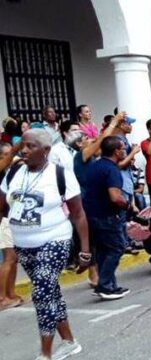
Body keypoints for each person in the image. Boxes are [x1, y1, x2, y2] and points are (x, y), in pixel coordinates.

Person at [0, 129, 90, 360]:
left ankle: (46, 353)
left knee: (41, 293)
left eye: (30, 147)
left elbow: (78, 214)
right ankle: (69, 341)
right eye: (23, 147)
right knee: (50, 292)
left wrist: (85, 251)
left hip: (54, 239)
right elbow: (3, 206)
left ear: (46, 150)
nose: (25, 151)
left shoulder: (61, 175)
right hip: (23, 244)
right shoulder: (14, 173)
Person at [84, 136, 133, 300]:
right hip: (108, 216)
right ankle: (105, 285)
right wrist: (127, 205)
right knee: (117, 248)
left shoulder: (94, 166)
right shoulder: (111, 170)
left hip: (92, 215)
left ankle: (109, 285)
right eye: (122, 148)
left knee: (104, 251)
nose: (124, 151)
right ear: (116, 151)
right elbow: (115, 197)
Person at [0, 141, 22, 311]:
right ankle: (2, 298)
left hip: (10, 219)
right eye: (6, 155)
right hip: (4, 219)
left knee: (13, 259)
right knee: (9, 258)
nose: (11, 158)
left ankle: (11, 293)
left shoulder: (9, 173)